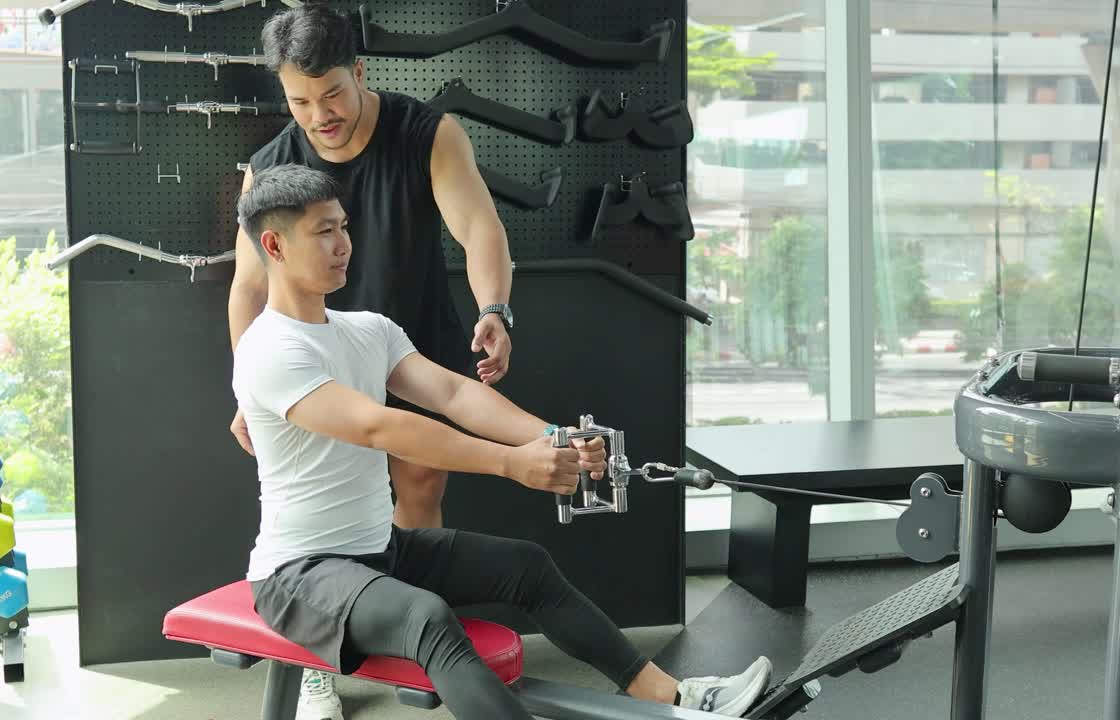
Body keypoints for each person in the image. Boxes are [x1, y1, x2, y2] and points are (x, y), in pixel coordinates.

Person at [231, 163, 774, 720]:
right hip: (299, 575)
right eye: (324, 232)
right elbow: (381, 427)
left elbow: (454, 395)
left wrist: (556, 439)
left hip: (379, 553)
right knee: (427, 619)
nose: (344, 243)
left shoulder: (368, 330)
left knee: (527, 565)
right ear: (274, 244)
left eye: (343, 226)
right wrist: (512, 464)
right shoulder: (269, 350)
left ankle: (671, 696)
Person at [228, 3, 512, 530]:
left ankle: (413, 596)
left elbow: (479, 228)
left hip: (415, 337)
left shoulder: (429, 134)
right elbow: (248, 287)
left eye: (332, 94)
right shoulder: (269, 167)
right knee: (332, 495)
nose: (319, 115)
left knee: (422, 483)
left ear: (358, 72)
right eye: (300, 102)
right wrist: (250, 389)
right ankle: (363, 602)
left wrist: (494, 307)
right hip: (315, 355)